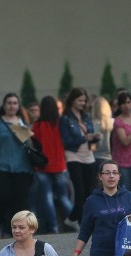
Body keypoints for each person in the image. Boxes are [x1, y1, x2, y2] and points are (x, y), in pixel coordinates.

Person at [0, 93, 35, 235]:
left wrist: (29, 134)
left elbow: (31, 145)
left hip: (22, 167)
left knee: (21, 201)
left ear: (19, 106)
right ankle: (1, 225)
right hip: (2, 166)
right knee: (3, 197)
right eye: (9, 103)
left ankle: (21, 229)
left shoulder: (23, 122)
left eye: (15, 103)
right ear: (4, 105)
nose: (12, 106)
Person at [32, 96, 74, 234]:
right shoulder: (60, 123)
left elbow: (34, 144)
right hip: (60, 164)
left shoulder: (37, 125)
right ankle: (77, 221)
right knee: (63, 197)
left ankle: (53, 227)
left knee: (47, 198)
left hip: (42, 166)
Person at [61, 87, 102, 224]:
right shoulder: (65, 119)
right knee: (79, 191)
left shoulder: (85, 116)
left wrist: (95, 137)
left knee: (89, 192)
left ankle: (72, 219)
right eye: (80, 100)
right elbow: (66, 142)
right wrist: (86, 138)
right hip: (73, 156)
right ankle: (81, 221)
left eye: (84, 101)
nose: (83, 103)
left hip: (88, 155)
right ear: (72, 100)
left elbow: (89, 135)